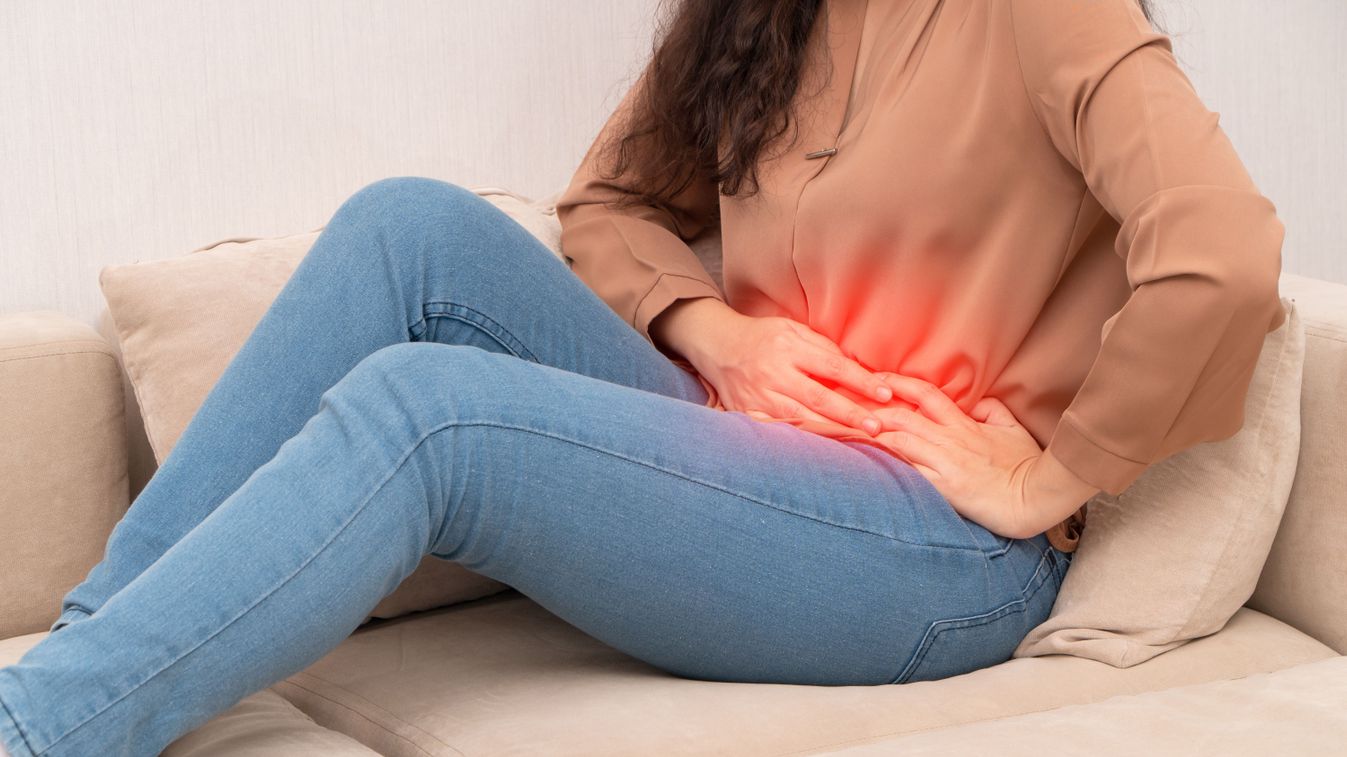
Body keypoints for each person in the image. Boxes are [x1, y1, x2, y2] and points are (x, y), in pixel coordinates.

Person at [0, 0, 1285, 754]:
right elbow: (609, 204)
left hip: (925, 541)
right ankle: (87, 660)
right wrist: (716, 330)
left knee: (429, 411)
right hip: (737, 442)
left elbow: (1223, 255)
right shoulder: (754, 15)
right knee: (411, 226)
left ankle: (39, 731)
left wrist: (1055, 474)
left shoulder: (1051, 11)